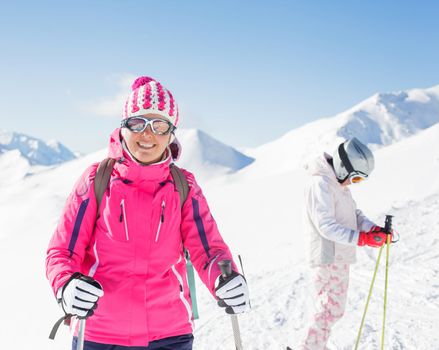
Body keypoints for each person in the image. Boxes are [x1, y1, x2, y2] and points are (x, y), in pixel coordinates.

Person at [46, 76, 250, 350]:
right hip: (99, 334)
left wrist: (225, 280)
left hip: (169, 335)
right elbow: (62, 252)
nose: (148, 134)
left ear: (171, 133)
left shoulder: (184, 186)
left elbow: (208, 250)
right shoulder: (98, 179)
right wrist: (66, 284)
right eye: (138, 122)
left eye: (159, 125)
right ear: (123, 127)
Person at [300, 137, 393, 350]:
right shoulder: (320, 184)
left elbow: (354, 214)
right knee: (329, 309)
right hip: (327, 255)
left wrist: (372, 230)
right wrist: (362, 238)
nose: (353, 183)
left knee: (332, 310)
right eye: (356, 179)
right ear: (343, 168)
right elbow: (326, 226)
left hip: (339, 256)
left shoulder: (336, 185)